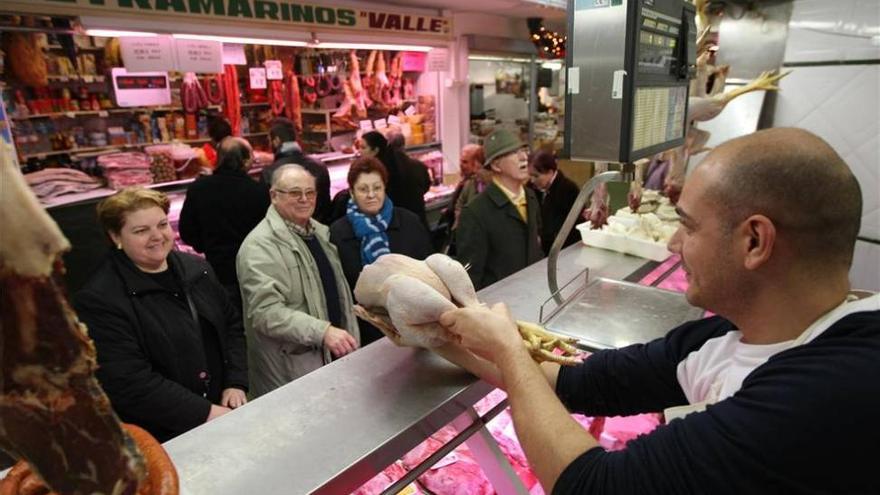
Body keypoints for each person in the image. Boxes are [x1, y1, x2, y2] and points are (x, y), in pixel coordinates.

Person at [436, 128, 879, 494]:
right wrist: (445, 332)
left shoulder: (828, 392)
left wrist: (512, 354)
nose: (672, 245)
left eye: (687, 226)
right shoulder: (735, 334)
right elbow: (583, 381)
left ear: (754, 242)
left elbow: (594, 487)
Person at [75, 188, 249, 442]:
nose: (157, 236)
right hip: (162, 435)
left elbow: (231, 326)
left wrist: (236, 381)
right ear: (115, 236)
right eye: (141, 230)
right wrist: (206, 412)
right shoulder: (100, 299)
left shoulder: (196, 269)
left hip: (221, 410)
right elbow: (129, 381)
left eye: (162, 224)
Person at [237, 164, 359, 397]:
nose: (304, 199)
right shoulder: (260, 246)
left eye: (310, 192)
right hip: (291, 375)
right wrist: (323, 332)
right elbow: (265, 314)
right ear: (274, 196)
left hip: (329, 361)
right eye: (295, 193)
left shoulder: (319, 234)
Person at [329, 157, 434, 345]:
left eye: (377, 188)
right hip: (365, 332)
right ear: (351, 192)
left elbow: (429, 272)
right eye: (363, 189)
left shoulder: (409, 222)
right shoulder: (338, 233)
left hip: (414, 324)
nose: (371, 195)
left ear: (385, 188)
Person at [179, 137, 271, 311]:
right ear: (245, 160)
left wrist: (206, 245)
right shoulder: (258, 191)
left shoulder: (198, 188)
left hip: (216, 270)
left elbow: (187, 232)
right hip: (255, 272)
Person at [455, 128, 543, 290]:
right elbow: (470, 278)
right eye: (513, 153)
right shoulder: (476, 213)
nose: (524, 157)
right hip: (498, 306)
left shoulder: (531, 197)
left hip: (532, 296)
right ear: (496, 165)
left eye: (524, 150)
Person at [261, 117, 332, 224]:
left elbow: (267, 212)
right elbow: (326, 207)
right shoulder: (320, 166)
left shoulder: (269, 173)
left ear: (276, 141)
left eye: (269, 141)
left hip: (285, 235)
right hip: (318, 232)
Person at [361, 131, 431, 226]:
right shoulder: (413, 164)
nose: (359, 151)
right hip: (417, 222)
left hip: (396, 226)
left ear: (375, 150)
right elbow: (426, 185)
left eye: (363, 147)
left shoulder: (380, 172)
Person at [528, 150, 581, 255]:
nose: (532, 180)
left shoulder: (568, 190)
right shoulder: (532, 188)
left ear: (550, 172)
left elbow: (572, 229)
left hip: (564, 252)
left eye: (536, 176)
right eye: (530, 175)